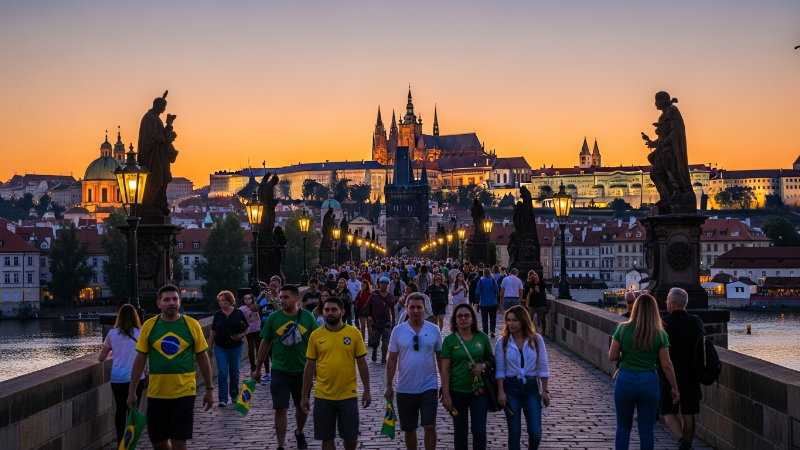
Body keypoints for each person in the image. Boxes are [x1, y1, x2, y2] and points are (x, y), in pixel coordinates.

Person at [127, 285, 213, 450]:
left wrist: (209, 388)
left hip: (184, 392)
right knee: (158, 442)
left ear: (180, 302)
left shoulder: (192, 325)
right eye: (167, 300)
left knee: (179, 441)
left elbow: (203, 358)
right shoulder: (150, 326)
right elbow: (139, 360)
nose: (171, 303)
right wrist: (132, 392)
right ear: (159, 303)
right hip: (157, 393)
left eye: (175, 299)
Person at [609, 293, 680, 450]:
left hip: (625, 379)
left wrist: (626, 354)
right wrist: (674, 387)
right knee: (646, 430)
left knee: (623, 427)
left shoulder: (623, 329)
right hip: (649, 381)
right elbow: (666, 364)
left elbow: (612, 356)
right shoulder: (660, 334)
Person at [300, 296, 371, 450]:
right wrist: (304, 395)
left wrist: (367, 390)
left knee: (351, 439)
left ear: (342, 312)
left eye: (333, 310)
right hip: (323, 395)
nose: (329, 313)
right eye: (326, 310)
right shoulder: (316, 335)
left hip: (348, 395)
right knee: (327, 438)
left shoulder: (353, 333)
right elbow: (310, 366)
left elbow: (362, 363)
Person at [254, 285, 318, 450]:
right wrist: (258, 367)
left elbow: (317, 343)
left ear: (296, 299)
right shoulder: (274, 318)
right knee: (280, 408)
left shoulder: (308, 317)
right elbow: (265, 343)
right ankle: (281, 446)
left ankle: (300, 432)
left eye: (286, 297)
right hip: (280, 370)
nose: (282, 300)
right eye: (281, 297)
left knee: (301, 407)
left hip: (302, 370)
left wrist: (319, 365)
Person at [385, 293, 443, 450]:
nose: (416, 310)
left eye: (419, 307)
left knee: (429, 425)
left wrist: (444, 382)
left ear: (425, 309)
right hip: (405, 387)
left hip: (429, 386)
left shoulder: (434, 330)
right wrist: (389, 385)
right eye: (412, 307)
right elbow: (391, 359)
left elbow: (440, 358)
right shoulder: (398, 331)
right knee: (409, 429)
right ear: (407, 309)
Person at [496, 306, 550, 450]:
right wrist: (501, 391)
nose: (511, 324)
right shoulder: (502, 342)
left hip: (531, 388)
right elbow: (500, 370)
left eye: (515, 320)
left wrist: (545, 390)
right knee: (514, 432)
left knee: (535, 432)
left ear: (523, 321)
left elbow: (543, 366)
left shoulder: (536, 339)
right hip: (510, 387)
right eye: (508, 320)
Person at [441, 303, 493, 450]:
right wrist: (446, 395)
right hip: (457, 391)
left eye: (467, 316)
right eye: (460, 316)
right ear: (455, 320)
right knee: (460, 432)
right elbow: (445, 369)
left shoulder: (481, 337)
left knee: (479, 430)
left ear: (472, 319)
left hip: (479, 391)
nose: (463, 318)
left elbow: (491, 358)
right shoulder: (449, 341)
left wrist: (483, 365)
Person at [98, 304, 146, 446]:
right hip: (137, 378)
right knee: (134, 410)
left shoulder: (112, 334)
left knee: (120, 409)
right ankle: (131, 441)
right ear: (135, 317)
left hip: (118, 378)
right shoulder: (141, 332)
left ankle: (120, 441)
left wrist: (114, 353)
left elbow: (101, 358)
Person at [661, 288, 702, 450]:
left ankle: (681, 441)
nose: (666, 302)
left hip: (669, 374)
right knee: (688, 412)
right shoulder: (695, 321)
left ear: (672, 303)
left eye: (666, 300)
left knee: (668, 411)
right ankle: (688, 445)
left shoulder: (663, 322)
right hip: (692, 373)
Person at [208, 291, 249, 406]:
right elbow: (212, 332)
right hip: (220, 347)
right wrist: (210, 348)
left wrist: (242, 335)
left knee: (234, 372)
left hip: (236, 347)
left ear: (230, 301)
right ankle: (223, 398)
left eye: (223, 301)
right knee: (222, 373)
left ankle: (234, 394)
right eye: (220, 301)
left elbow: (247, 328)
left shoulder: (238, 313)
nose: (221, 303)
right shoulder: (218, 314)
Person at [363, 277, 396, 364]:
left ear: (388, 285)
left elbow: (393, 310)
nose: (383, 285)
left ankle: (383, 358)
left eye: (385, 283)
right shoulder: (374, 295)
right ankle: (374, 350)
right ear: (379, 284)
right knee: (375, 341)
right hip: (375, 321)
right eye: (381, 283)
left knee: (386, 341)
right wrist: (369, 316)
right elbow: (367, 306)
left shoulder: (390, 296)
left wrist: (393, 321)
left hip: (386, 321)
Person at [257, 276, 283, 385]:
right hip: (264, 325)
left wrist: (273, 302)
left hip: (278, 326)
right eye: (270, 286)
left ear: (279, 286)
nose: (272, 288)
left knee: (275, 351)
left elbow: (282, 311)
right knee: (265, 350)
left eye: (274, 286)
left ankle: (275, 372)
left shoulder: (282, 297)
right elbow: (255, 307)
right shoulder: (264, 295)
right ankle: (267, 372)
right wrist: (263, 299)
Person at [240, 293, 262, 376]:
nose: (247, 300)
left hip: (257, 328)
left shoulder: (256, 306)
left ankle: (258, 365)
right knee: (251, 347)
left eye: (249, 298)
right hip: (249, 330)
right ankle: (253, 366)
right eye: (245, 299)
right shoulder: (242, 309)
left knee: (259, 347)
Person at [476, 269, 500, 337]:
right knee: (493, 318)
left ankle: (485, 333)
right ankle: (492, 331)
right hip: (492, 302)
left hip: (483, 303)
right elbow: (497, 290)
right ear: (490, 273)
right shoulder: (493, 281)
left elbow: (477, 292)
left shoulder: (480, 281)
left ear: (483, 274)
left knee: (484, 319)